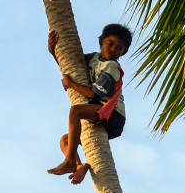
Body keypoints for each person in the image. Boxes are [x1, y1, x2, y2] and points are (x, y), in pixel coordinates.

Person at [47, 24, 131, 181]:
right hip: (98, 109)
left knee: (75, 111)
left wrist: (71, 84)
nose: (113, 49)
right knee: (65, 140)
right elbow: (71, 68)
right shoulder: (92, 58)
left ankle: (70, 160)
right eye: (110, 43)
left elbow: (94, 93)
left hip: (114, 115)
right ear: (101, 41)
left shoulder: (112, 67)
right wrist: (53, 51)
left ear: (123, 52)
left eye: (119, 48)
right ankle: (79, 165)